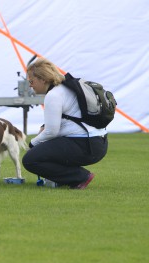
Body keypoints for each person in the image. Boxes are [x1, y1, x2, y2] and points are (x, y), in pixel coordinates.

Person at [22, 58, 108, 189]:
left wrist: (33, 143)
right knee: (43, 150)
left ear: (42, 79)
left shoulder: (53, 95)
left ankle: (80, 177)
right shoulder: (65, 88)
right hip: (99, 143)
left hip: (86, 145)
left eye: (31, 81)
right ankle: (64, 179)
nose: (30, 85)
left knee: (30, 160)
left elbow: (52, 131)